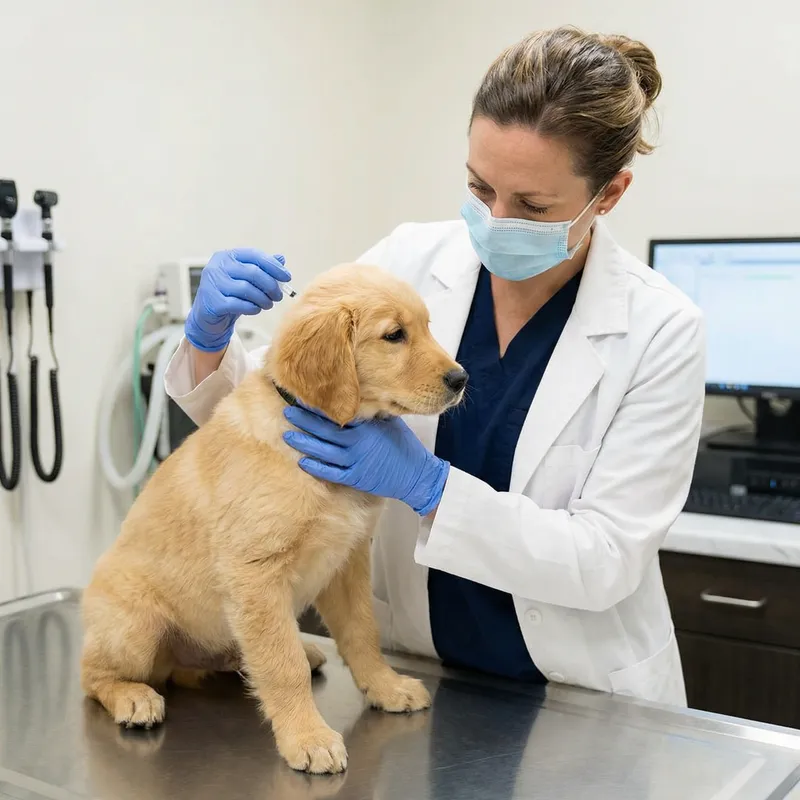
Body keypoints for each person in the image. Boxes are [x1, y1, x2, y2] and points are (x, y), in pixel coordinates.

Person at [165, 26, 705, 706]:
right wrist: (210, 340)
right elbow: (275, 423)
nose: (496, 218)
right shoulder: (407, 262)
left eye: (532, 206)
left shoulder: (661, 329)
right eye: (480, 189)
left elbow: (605, 560)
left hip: (577, 692)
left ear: (610, 193)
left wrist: (432, 489)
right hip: (419, 671)